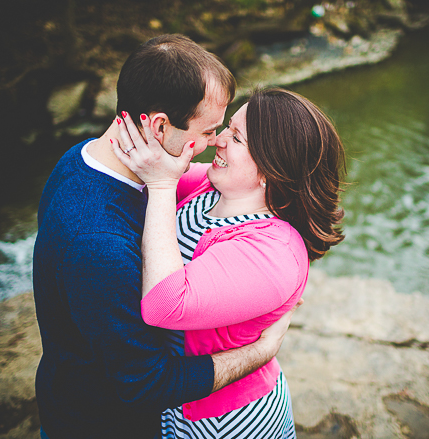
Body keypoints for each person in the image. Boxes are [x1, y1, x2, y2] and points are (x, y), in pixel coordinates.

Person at [33, 35, 296, 439]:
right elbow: (146, 383)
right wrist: (259, 352)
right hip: (102, 424)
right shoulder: (99, 243)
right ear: (158, 126)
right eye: (209, 131)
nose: (214, 143)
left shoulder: (79, 158)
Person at [111, 88, 345, 438]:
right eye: (227, 128)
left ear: (271, 169)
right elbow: (145, 169)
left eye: (236, 137)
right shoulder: (213, 186)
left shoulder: (275, 252)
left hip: (226, 421)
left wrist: (161, 186)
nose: (218, 140)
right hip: (177, 396)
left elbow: (164, 305)